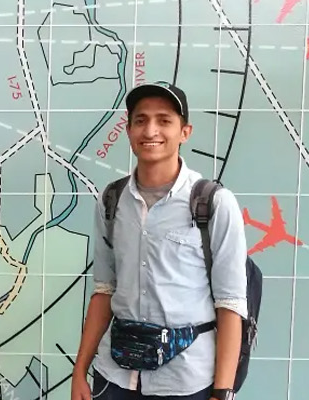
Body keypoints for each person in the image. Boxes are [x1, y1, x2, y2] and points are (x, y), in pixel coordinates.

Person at [70, 82, 248, 400]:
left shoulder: (214, 203)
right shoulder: (111, 200)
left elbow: (230, 305)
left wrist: (223, 393)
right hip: (115, 378)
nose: (150, 130)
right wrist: (80, 371)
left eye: (164, 120)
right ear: (128, 131)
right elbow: (104, 292)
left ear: (185, 132)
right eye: (141, 120)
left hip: (185, 382)